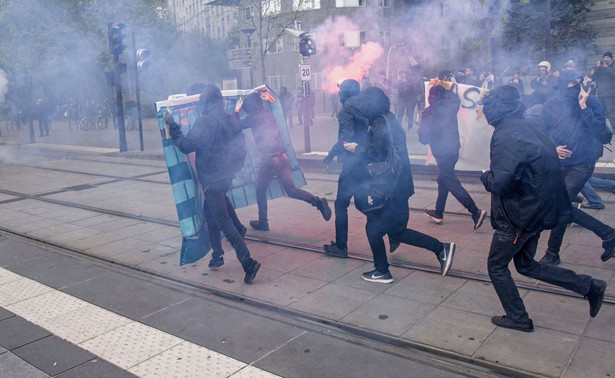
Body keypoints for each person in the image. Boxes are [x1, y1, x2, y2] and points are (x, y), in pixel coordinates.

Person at [479, 85, 607, 332]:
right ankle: (589, 286)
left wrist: (486, 177)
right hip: (537, 210)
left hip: (518, 215)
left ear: (496, 109)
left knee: (496, 266)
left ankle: (518, 317)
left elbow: (502, 183)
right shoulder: (530, 125)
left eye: (487, 105)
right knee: (526, 265)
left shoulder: (506, 134)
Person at [343, 87, 456, 283]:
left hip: (389, 186)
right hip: (399, 184)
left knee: (375, 229)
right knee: (396, 231)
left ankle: (383, 271)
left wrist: (356, 148)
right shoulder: (389, 118)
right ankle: (440, 248)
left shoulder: (380, 122)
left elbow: (377, 153)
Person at [164, 85, 261, 284]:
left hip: (212, 180)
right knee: (210, 214)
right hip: (225, 177)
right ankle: (217, 256)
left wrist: (172, 126)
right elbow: (238, 143)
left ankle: (248, 262)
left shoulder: (205, 122)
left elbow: (186, 145)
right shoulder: (228, 119)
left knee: (224, 223)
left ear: (205, 103)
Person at [540, 70, 615, 265]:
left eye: (581, 82)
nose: (578, 86)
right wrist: (553, 148)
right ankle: (608, 234)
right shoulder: (552, 104)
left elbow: (604, 135)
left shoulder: (592, 102)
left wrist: (584, 107)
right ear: (564, 84)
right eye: (574, 83)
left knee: (561, 206)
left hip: (583, 163)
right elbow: (541, 131)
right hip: (558, 163)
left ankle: (552, 253)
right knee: (558, 206)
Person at [239, 92, 331, 232]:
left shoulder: (253, 118)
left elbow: (236, 126)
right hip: (282, 157)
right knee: (291, 190)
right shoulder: (269, 113)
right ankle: (318, 202)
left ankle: (263, 222)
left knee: (260, 189)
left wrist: (237, 109)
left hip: (270, 159)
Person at [419, 84, 487, 230]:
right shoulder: (451, 106)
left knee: (451, 181)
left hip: (441, 152)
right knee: (442, 179)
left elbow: (423, 139)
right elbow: (455, 98)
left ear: (430, 97)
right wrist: (450, 88)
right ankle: (438, 213)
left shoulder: (428, 113)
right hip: (453, 149)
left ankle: (475, 212)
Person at [323, 79, 369, 258]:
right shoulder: (365, 105)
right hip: (365, 159)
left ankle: (341, 247)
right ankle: (392, 228)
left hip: (352, 163)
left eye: (340, 90)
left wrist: (331, 154)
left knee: (341, 204)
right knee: (361, 203)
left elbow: (347, 137)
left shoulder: (346, 110)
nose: (338, 93)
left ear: (345, 93)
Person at [591, 51, 615, 126]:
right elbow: (593, 77)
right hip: (601, 93)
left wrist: (607, 68)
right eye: (604, 58)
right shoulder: (600, 67)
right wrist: (598, 68)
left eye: (607, 57)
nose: (606, 59)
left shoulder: (613, 65)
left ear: (611, 58)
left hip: (610, 94)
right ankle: (603, 129)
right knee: (600, 112)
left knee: (611, 112)